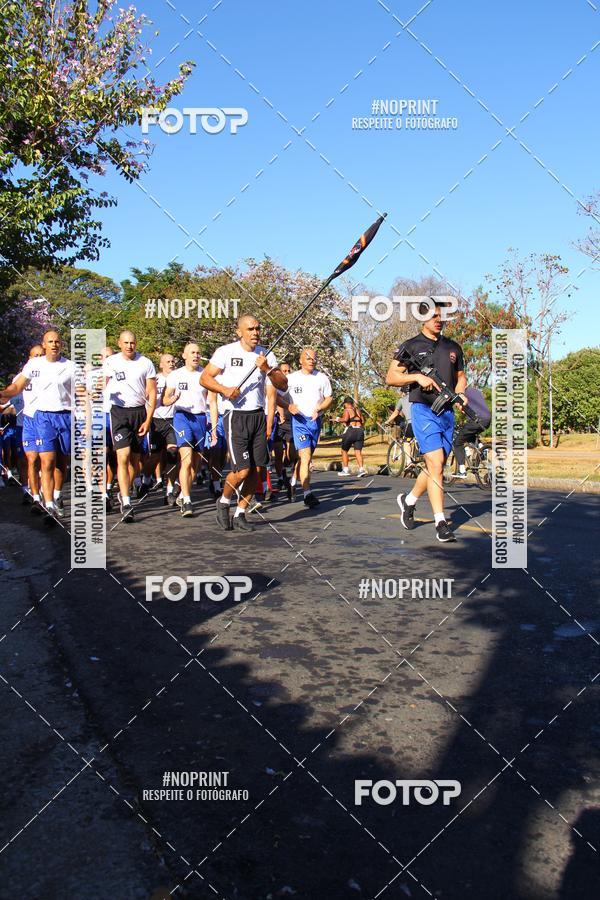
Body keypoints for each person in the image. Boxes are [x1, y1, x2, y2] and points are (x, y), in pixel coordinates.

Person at [386, 299, 467, 543]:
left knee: (436, 467)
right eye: (434, 316)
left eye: (442, 316)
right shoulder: (411, 346)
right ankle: (441, 523)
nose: (439, 320)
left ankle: (409, 501)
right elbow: (391, 377)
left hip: (447, 412)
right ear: (423, 318)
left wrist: (461, 393)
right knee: (436, 463)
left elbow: (461, 376)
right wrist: (416, 377)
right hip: (423, 410)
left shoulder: (453, 347)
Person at [200, 314, 287, 533]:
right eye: (250, 329)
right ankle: (223, 501)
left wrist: (267, 369)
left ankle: (240, 513)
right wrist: (224, 390)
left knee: (257, 469)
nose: (255, 332)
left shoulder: (266, 354)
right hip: (235, 416)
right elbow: (205, 378)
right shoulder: (225, 352)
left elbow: (283, 385)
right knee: (242, 470)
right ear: (239, 332)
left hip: (257, 416)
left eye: (258, 328)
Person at [0, 331, 73, 523]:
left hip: (65, 416)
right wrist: (4, 393)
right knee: (44, 460)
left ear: (61, 344)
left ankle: (56, 495)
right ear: (44, 344)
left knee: (61, 462)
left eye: (57, 341)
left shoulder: (71, 367)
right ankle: (46, 504)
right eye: (50, 341)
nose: (54, 344)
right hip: (40, 417)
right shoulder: (33, 366)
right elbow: (17, 387)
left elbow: (81, 393)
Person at [104, 330, 156, 523]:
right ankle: (126, 502)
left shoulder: (146, 363)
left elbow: (152, 393)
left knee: (135, 461)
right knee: (123, 456)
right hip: (119, 412)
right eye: (125, 343)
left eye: (132, 342)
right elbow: (102, 383)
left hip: (139, 412)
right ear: (119, 343)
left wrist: (148, 419)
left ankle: (123, 490)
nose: (129, 346)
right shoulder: (111, 362)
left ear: (136, 343)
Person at [162, 343, 217, 519]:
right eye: (192, 352)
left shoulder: (206, 375)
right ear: (184, 355)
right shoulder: (176, 375)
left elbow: (212, 402)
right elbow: (165, 399)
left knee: (196, 464)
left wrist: (213, 428)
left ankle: (181, 492)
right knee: (185, 460)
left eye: (198, 353)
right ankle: (187, 500)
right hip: (182, 417)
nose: (196, 355)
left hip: (200, 418)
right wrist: (172, 400)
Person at [279, 349, 332, 507]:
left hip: (315, 422)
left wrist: (320, 408)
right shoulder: (291, 378)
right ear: (300, 361)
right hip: (299, 422)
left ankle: (293, 481)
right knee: (306, 457)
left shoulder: (322, 378)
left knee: (304, 459)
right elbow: (277, 396)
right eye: (308, 358)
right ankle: (307, 494)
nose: (312, 360)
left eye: (314, 358)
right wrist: (289, 406)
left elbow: (329, 398)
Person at [144, 352, 178, 505]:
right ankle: (146, 479)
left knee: (172, 453)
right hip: (156, 421)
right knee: (155, 456)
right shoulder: (154, 379)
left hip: (173, 420)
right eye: (168, 361)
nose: (171, 364)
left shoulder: (178, 377)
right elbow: (144, 397)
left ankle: (169, 491)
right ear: (161, 365)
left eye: (173, 361)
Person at [453, 386, 491, 477]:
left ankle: (462, 471)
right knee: (470, 434)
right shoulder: (475, 391)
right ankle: (482, 449)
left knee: (457, 443)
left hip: (477, 420)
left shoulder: (461, 394)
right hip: (487, 419)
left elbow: (460, 408)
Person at [335, 397, 367, 477]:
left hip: (351, 431)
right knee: (358, 451)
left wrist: (338, 419)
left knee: (344, 451)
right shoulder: (358, 410)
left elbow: (345, 419)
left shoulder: (347, 410)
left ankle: (345, 470)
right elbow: (363, 421)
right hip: (360, 431)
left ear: (346, 404)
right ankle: (361, 469)